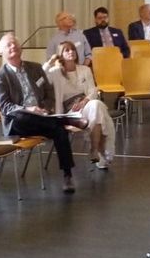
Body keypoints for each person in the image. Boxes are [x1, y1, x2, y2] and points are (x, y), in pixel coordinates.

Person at [0, 33, 87, 193]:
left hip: (42, 118)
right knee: (24, 116)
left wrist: (45, 109)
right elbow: (6, 107)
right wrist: (29, 109)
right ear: (2, 52)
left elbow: (49, 93)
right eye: (8, 45)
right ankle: (65, 120)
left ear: (21, 48)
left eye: (15, 43)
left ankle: (67, 175)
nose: (13, 46)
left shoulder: (35, 68)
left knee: (59, 131)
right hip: (18, 122)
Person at [43, 41, 116, 169]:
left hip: (85, 104)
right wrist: (50, 62)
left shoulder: (85, 69)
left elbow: (93, 90)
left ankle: (94, 149)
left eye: (73, 49)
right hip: (69, 111)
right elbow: (40, 76)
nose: (71, 52)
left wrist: (84, 102)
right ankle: (99, 151)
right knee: (99, 112)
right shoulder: (55, 72)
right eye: (67, 50)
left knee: (96, 106)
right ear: (61, 54)